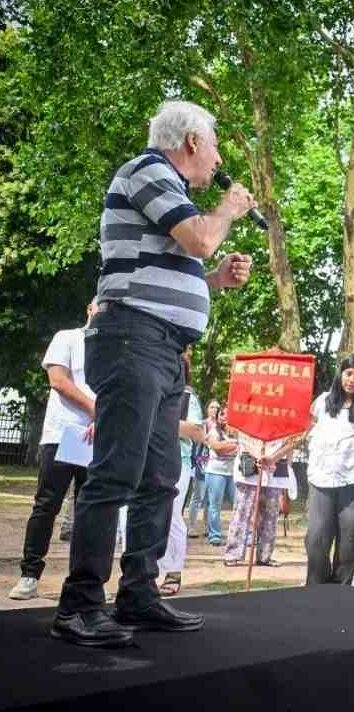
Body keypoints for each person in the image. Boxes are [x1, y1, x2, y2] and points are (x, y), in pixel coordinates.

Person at [52, 100, 254, 648]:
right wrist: (228, 211)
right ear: (191, 140)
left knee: (161, 477)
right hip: (132, 340)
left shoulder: (173, 192)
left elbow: (173, 266)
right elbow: (201, 239)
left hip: (163, 347)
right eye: (213, 146)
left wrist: (212, 281)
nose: (217, 161)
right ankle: (79, 606)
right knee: (117, 472)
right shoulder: (148, 171)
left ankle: (138, 594)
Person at [9, 300, 99, 601]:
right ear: (89, 308)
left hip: (97, 439)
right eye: (104, 304)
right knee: (47, 504)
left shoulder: (116, 351)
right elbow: (58, 380)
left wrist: (105, 418)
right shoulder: (67, 338)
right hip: (63, 434)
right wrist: (95, 409)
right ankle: (29, 574)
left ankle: (82, 583)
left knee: (92, 511)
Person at [305, 355, 354, 585]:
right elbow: (304, 430)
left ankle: (341, 591)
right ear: (340, 374)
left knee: (349, 543)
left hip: (352, 481)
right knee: (316, 539)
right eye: (348, 373)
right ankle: (316, 590)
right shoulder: (322, 401)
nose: (352, 379)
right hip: (320, 478)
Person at [157, 353, 205, 596]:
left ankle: (173, 570)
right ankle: (144, 571)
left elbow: (196, 430)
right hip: (147, 460)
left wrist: (157, 420)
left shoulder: (187, 397)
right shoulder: (152, 390)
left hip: (178, 462)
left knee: (172, 514)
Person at [223, 434, 294, 567]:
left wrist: (274, 458)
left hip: (276, 467)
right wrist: (259, 457)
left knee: (271, 516)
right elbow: (241, 436)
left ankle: (265, 556)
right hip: (250, 466)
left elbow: (292, 442)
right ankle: (234, 553)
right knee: (242, 512)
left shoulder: (285, 420)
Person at [204, 405, 239, 546]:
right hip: (215, 472)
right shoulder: (213, 431)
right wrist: (233, 446)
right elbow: (217, 449)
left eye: (227, 414)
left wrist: (227, 446)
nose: (224, 417)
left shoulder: (237, 432)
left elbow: (241, 447)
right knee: (215, 505)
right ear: (218, 417)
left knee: (237, 504)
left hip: (233, 473)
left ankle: (237, 534)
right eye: (222, 414)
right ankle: (215, 535)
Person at [187, 399, 219, 538]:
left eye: (217, 407)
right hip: (201, 463)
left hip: (216, 464)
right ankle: (192, 526)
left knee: (210, 498)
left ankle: (208, 526)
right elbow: (198, 440)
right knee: (197, 496)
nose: (215, 410)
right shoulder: (203, 424)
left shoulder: (222, 425)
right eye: (212, 407)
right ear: (207, 409)